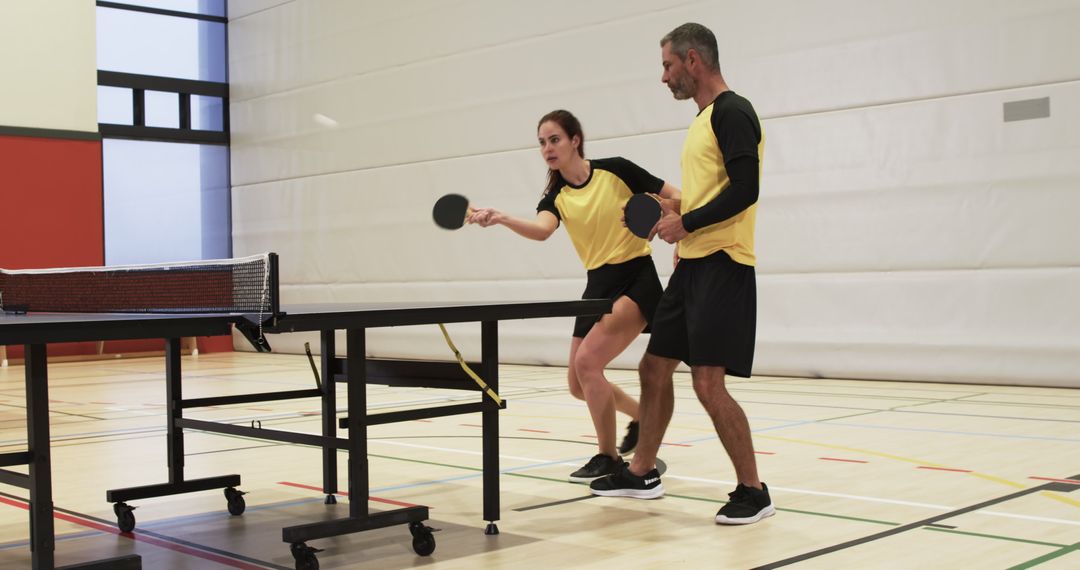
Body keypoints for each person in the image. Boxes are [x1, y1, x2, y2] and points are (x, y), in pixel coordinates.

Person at [589, 22, 775, 525]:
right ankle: (642, 472)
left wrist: (685, 223)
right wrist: (675, 207)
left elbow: (746, 189)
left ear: (693, 59)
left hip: (724, 265)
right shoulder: (702, 120)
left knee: (708, 384)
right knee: (653, 367)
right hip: (692, 266)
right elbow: (713, 193)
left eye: (668, 65)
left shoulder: (734, 112)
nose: (664, 76)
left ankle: (753, 491)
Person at [468, 109, 680, 483]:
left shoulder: (616, 169)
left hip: (636, 278)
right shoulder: (557, 196)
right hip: (597, 283)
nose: (547, 148)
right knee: (578, 384)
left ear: (575, 140)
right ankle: (642, 415)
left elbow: (676, 195)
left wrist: (671, 219)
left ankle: (608, 456)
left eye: (554, 140)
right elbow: (541, 230)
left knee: (587, 364)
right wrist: (501, 218)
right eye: (542, 143)